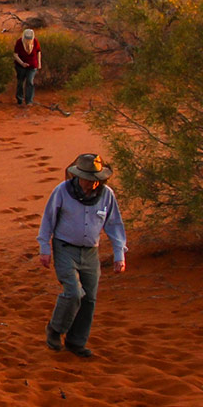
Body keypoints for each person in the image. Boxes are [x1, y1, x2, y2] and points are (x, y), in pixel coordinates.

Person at [37, 154, 128, 359]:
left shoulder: (107, 195)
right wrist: (44, 248)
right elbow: (48, 218)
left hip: (90, 252)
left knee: (89, 299)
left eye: (97, 178)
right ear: (79, 177)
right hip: (64, 248)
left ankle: (76, 342)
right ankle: (55, 329)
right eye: (89, 178)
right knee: (74, 292)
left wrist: (119, 254)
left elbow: (114, 224)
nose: (94, 183)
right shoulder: (62, 191)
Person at [14, 28, 42, 106]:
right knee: (20, 82)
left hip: (32, 66)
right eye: (27, 38)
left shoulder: (35, 42)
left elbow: (38, 52)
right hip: (20, 66)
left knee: (30, 81)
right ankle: (20, 99)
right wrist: (22, 63)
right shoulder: (19, 42)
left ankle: (29, 100)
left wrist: (39, 63)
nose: (28, 40)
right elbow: (15, 55)